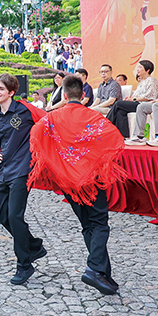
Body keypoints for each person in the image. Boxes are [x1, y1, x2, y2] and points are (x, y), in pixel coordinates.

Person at [27, 74, 126, 296]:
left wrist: (56, 162)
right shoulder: (93, 117)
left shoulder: (52, 118)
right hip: (91, 179)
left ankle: (103, 274)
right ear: (83, 95)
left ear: (63, 94)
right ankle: (95, 268)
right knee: (100, 223)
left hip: (68, 182)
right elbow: (115, 138)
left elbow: (35, 134)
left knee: (88, 225)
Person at [0, 74, 47, 286]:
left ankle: (24, 264)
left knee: (14, 216)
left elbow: (48, 122)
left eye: (1, 89)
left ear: (11, 92)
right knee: (3, 216)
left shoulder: (25, 109)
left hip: (22, 169)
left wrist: (39, 151)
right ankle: (33, 246)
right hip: (2, 170)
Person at [106, 60, 158, 138]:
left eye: (140, 67)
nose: (137, 69)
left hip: (144, 105)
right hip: (137, 103)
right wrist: (130, 98)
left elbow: (150, 96)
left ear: (147, 70)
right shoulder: (141, 82)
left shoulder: (152, 80)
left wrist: (133, 99)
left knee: (118, 104)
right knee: (120, 112)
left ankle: (105, 125)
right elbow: (136, 95)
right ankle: (123, 136)